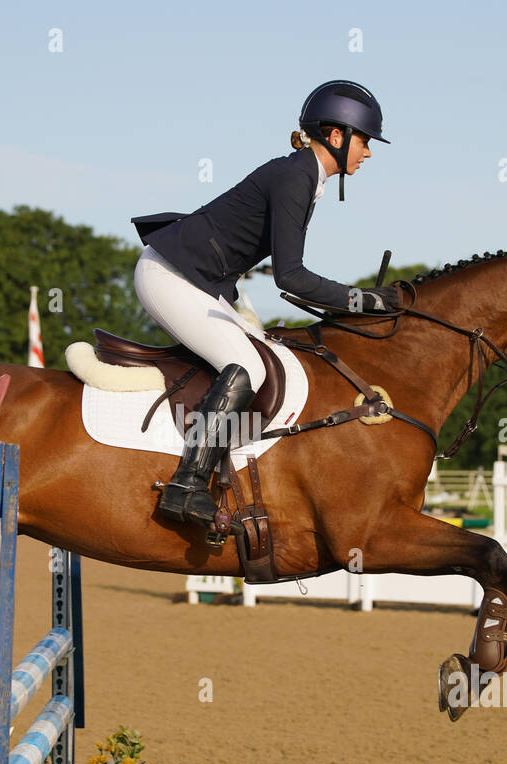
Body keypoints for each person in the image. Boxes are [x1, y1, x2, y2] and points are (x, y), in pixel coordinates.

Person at [132, 80, 399, 529]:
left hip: (200, 281)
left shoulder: (304, 176)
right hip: (170, 275)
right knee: (248, 368)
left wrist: (358, 301)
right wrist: (364, 299)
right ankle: (186, 484)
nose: (368, 153)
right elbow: (291, 277)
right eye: (366, 142)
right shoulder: (297, 175)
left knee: (266, 357)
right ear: (337, 136)